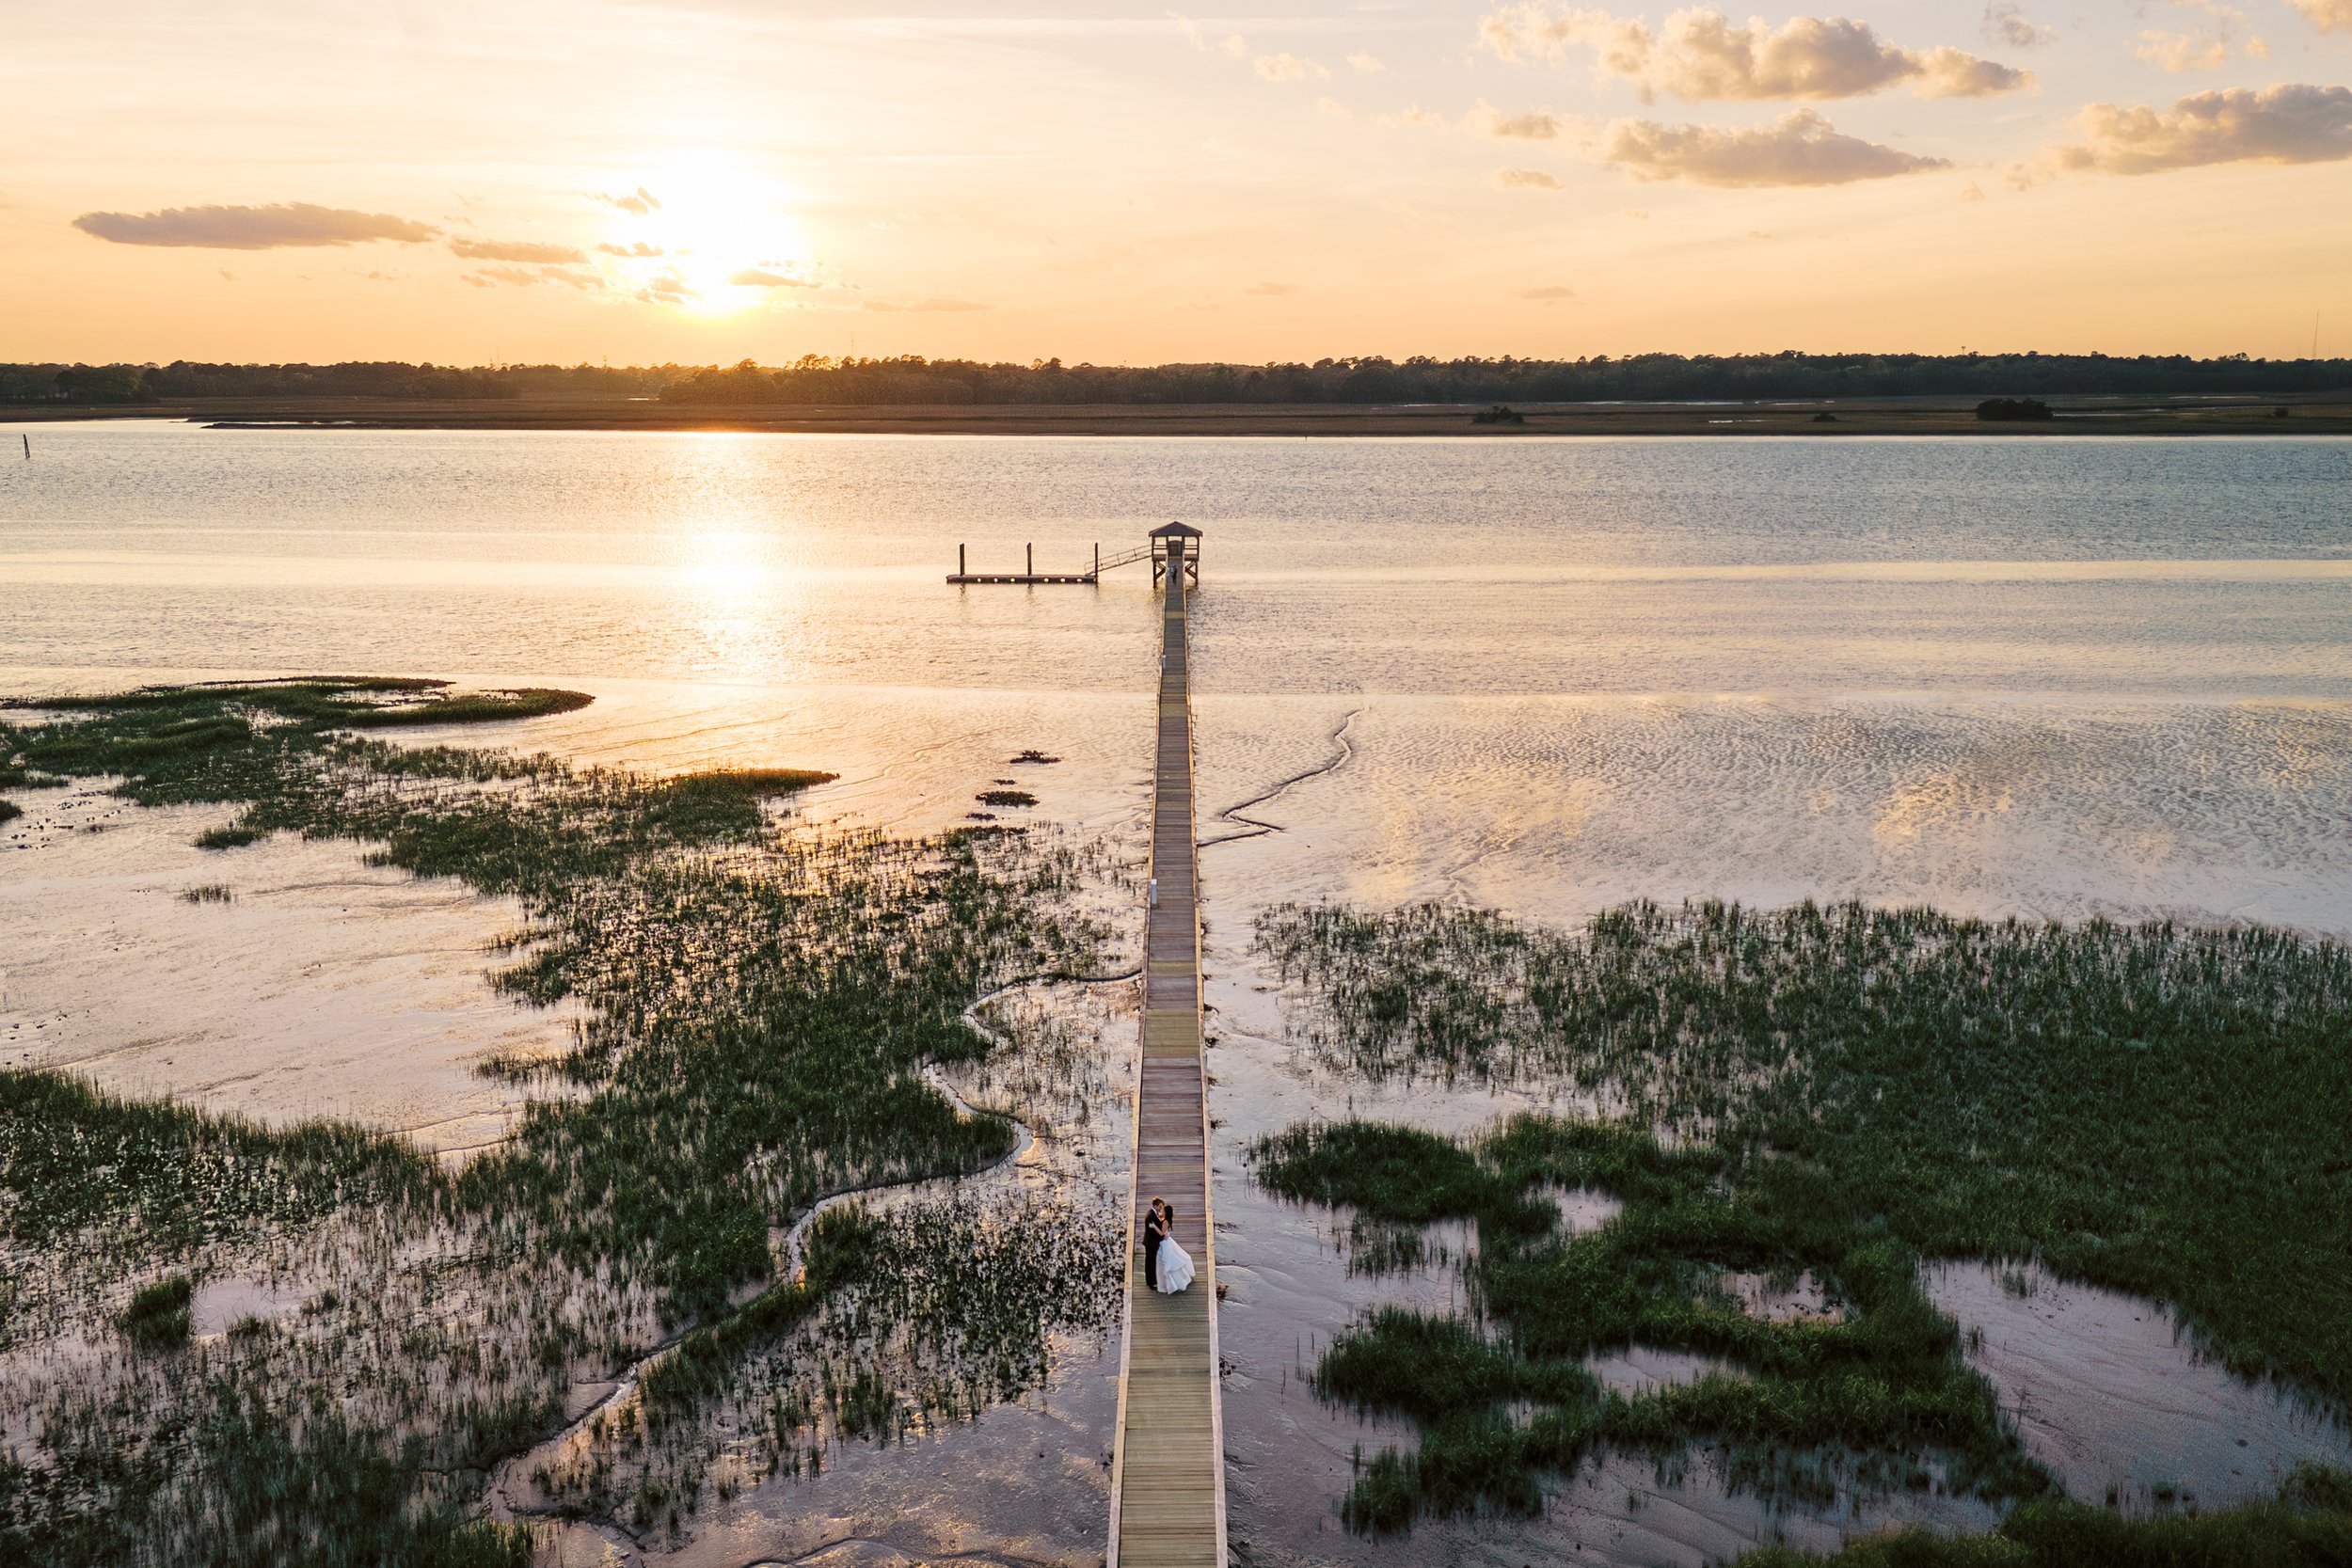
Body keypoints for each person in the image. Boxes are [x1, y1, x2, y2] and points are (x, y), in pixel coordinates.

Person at [1154, 1202, 1196, 1294]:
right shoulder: (1166, 1220)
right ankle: (1166, 1283)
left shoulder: (1165, 1222)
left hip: (1163, 1243)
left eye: (1163, 1210)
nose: (1161, 1211)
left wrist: (1153, 1227)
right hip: (1167, 1242)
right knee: (1168, 1262)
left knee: (1165, 1263)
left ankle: (1169, 1284)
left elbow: (1162, 1234)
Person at [1141, 1197, 1166, 1291]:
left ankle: (1151, 1281)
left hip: (1150, 1242)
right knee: (1150, 1263)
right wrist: (1161, 1237)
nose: (1160, 1208)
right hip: (1151, 1242)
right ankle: (1151, 1282)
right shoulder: (1151, 1216)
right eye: (1159, 1206)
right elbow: (1152, 1232)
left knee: (1150, 1262)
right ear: (1154, 1206)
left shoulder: (1152, 1214)